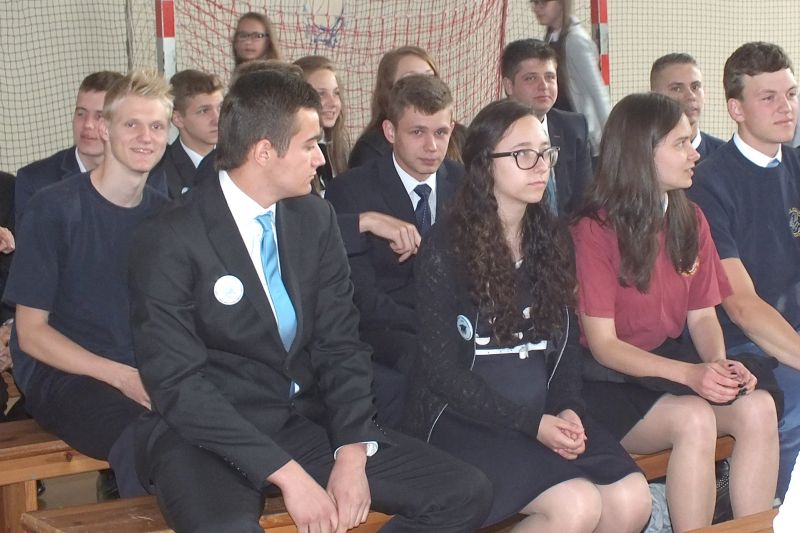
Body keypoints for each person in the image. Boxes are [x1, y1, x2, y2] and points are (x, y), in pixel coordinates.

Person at [128, 67, 492, 533]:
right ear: (264, 152)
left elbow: (340, 344)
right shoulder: (171, 236)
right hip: (206, 437)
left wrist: (352, 451)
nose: (320, 158)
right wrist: (290, 476)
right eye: (309, 145)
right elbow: (177, 384)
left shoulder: (313, 219)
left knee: (464, 493)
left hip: (298, 422)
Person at [403, 98, 651, 532]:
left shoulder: (553, 238)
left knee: (632, 499)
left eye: (544, 152)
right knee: (576, 504)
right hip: (464, 421)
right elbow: (442, 374)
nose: (540, 166)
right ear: (485, 164)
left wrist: (568, 408)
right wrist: (531, 424)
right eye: (523, 154)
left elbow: (565, 350)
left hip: (540, 413)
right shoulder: (445, 248)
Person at [573, 92, 779, 532]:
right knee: (694, 419)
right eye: (681, 143)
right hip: (607, 380)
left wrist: (718, 366)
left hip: (669, 367)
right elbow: (605, 346)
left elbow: (702, 316)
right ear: (642, 154)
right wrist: (690, 375)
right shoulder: (594, 229)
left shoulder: (690, 218)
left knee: (759, 407)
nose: (695, 153)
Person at [3, 70, 172, 497]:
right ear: (106, 128)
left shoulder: (166, 218)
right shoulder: (53, 209)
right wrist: (121, 377)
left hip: (140, 369)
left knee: (219, 427)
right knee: (149, 440)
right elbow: (32, 334)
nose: (145, 137)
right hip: (63, 374)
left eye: (156, 126)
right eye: (132, 124)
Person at [688, 41, 800, 500]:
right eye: (768, 97)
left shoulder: (797, 165)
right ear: (736, 109)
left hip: (790, 334)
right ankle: (775, 511)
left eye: (791, 94)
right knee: (792, 401)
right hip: (743, 343)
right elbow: (740, 305)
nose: (786, 107)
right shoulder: (709, 183)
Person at [326, 74, 461, 427]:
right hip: (386, 330)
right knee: (428, 359)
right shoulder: (352, 191)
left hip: (454, 322)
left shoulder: (466, 185)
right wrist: (436, 325)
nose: (432, 146)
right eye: (418, 132)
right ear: (389, 131)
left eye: (441, 132)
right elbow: (363, 299)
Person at [15, 71, 166, 224]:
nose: (88, 124)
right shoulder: (35, 181)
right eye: (81, 114)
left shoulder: (151, 176)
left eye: (99, 115)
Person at [501, 39, 592, 216]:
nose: (543, 86)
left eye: (550, 77)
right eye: (531, 78)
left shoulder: (574, 128)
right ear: (509, 86)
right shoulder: (495, 133)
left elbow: (584, 201)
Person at [348, 46, 464, 167]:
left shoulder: (459, 136)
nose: (423, 86)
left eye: (429, 77)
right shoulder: (370, 149)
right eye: (411, 79)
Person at [531, 0, 610, 156]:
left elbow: (597, 91)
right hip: (563, 133)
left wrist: (612, 136)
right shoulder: (551, 37)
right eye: (534, 3)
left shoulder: (575, 40)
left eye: (544, 2)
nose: (537, 8)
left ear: (561, 3)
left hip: (582, 139)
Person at [156, 69, 222, 198]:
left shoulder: (239, 160)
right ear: (178, 119)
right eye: (204, 111)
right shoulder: (160, 172)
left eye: (220, 107)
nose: (217, 119)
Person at [650, 53, 725, 161]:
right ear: (654, 96)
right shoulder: (638, 156)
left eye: (695, 87)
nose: (691, 96)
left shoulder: (725, 156)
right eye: (677, 89)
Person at [294, 56, 351, 192]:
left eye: (336, 93)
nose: (333, 102)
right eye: (321, 94)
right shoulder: (292, 152)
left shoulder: (338, 145)